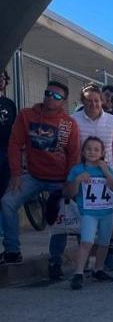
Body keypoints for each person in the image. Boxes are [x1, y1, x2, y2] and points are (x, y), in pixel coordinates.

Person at [0, 81, 80, 266]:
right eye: (48, 93)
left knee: (62, 216)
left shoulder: (69, 124)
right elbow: (14, 144)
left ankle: (59, 259)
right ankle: (12, 251)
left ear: (64, 101)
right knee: (7, 202)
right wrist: (16, 174)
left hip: (60, 179)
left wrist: (70, 181)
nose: (51, 98)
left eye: (57, 96)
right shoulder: (26, 116)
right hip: (34, 176)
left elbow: (74, 154)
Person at [65, 137, 113, 290]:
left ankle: (98, 269)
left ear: (103, 152)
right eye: (88, 149)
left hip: (107, 211)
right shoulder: (77, 169)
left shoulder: (108, 168)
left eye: (96, 149)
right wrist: (77, 181)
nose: (92, 152)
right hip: (89, 211)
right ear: (83, 151)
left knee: (104, 242)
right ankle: (78, 272)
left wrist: (105, 171)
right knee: (86, 241)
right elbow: (69, 194)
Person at [0, 70, 17, 237]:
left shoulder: (9, 103)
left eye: (3, 78)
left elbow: (14, 129)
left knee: (4, 191)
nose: (1, 80)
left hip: (5, 152)